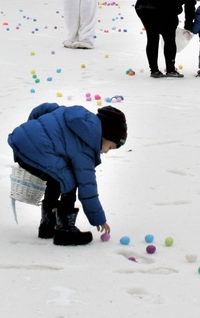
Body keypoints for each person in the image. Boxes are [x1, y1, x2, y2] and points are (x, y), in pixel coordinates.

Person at [7, 104, 127, 246]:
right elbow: (87, 187)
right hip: (38, 150)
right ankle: (65, 231)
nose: (106, 151)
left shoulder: (76, 114)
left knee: (58, 178)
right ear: (106, 135)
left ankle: (47, 226)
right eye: (110, 147)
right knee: (70, 180)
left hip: (20, 140)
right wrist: (99, 219)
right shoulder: (87, 147)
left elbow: (43, 109)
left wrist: (31, 131)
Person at [134, 0, 198, 78]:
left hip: (143, 6)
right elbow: (190, 3)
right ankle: (170, 69)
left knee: (152, 38)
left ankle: (154, 70)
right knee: (169, 38)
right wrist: (189, 24)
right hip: (163, 8)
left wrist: (176, 8)